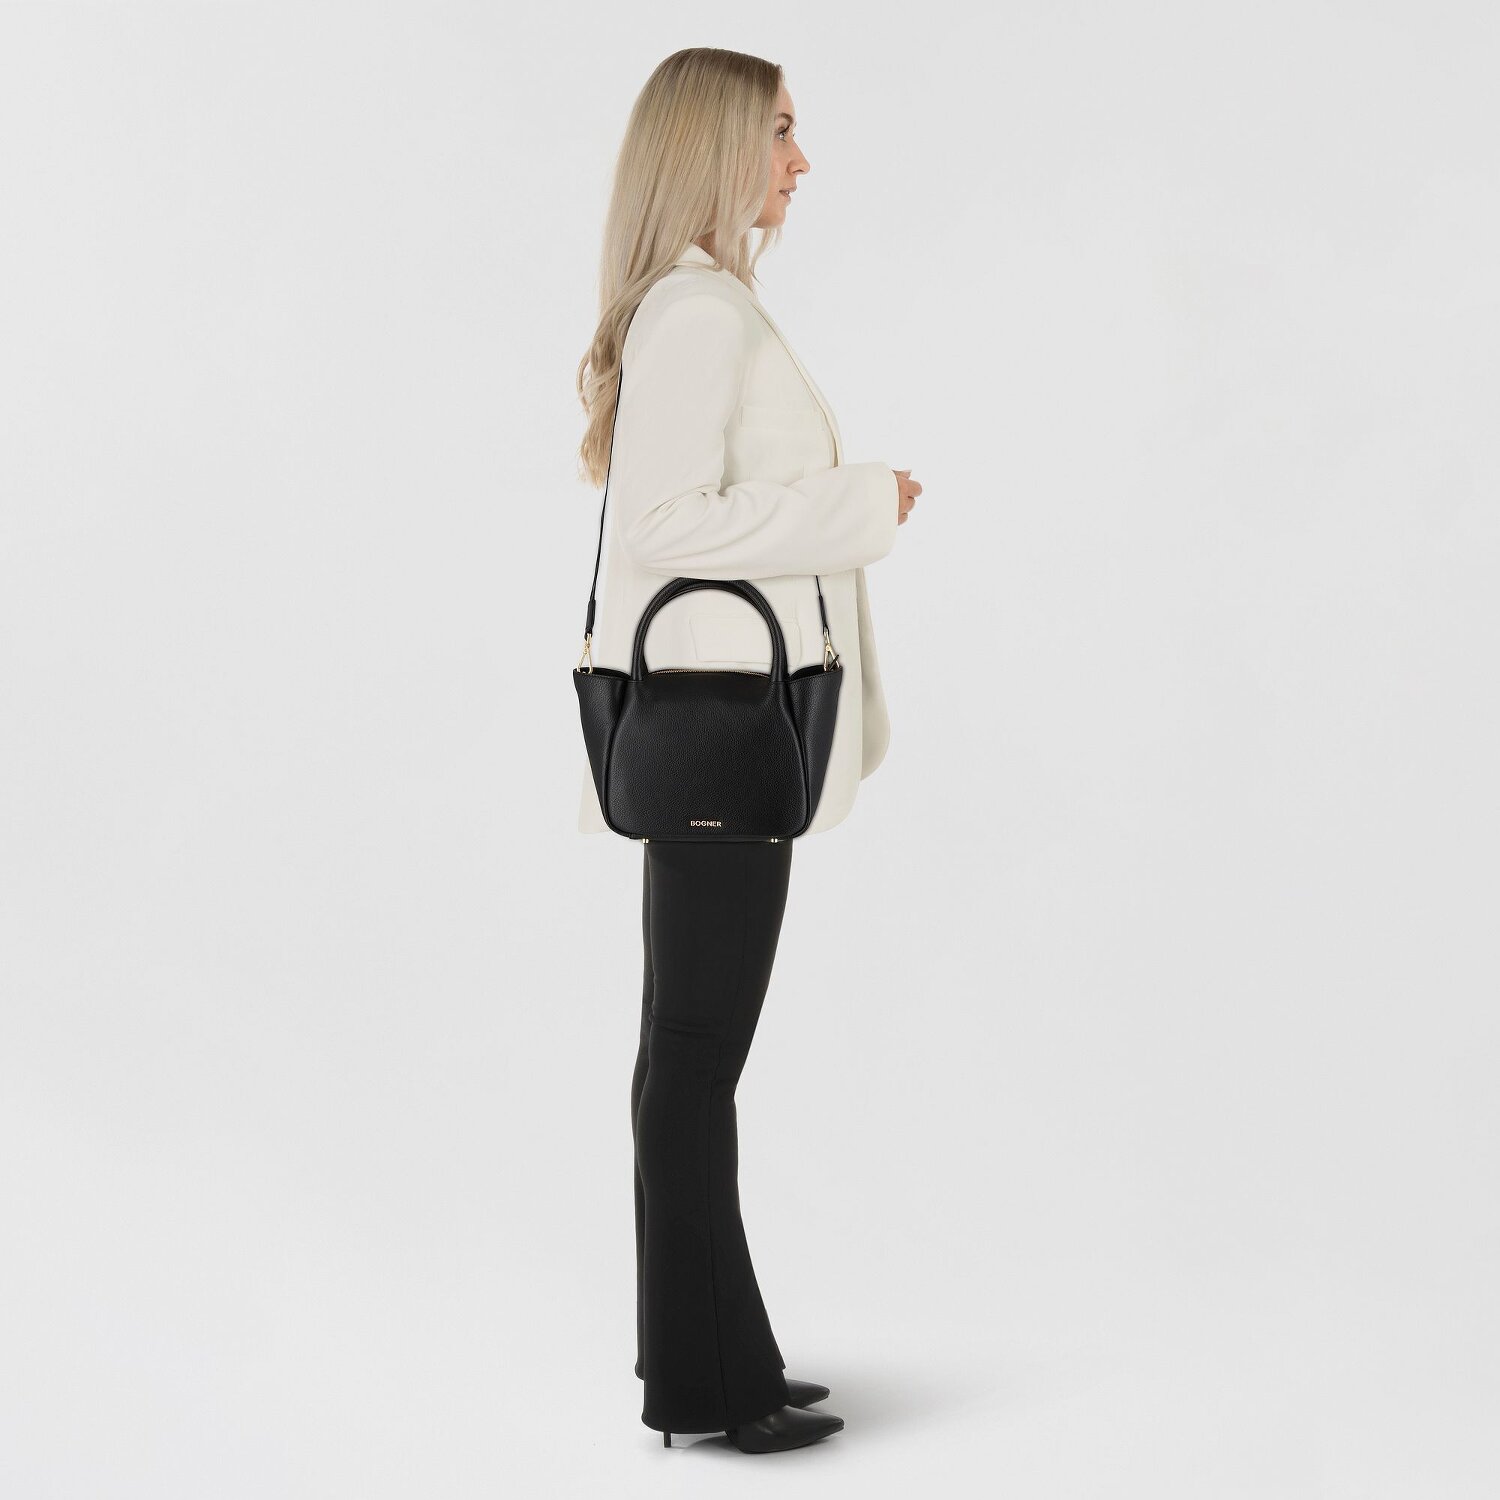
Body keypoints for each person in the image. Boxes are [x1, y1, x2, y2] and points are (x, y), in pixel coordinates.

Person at [574, 47, 922, 1454]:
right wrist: (860, 503)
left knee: (683, 1060)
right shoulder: (701, 314)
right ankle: (711, 1388)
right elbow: (665, 528)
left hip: (706, 737)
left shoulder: (700, 305)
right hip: (720, 738)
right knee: (694, 1065)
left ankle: (715, 1364)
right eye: (779, 131)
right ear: (716, 147)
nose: (799, 161)